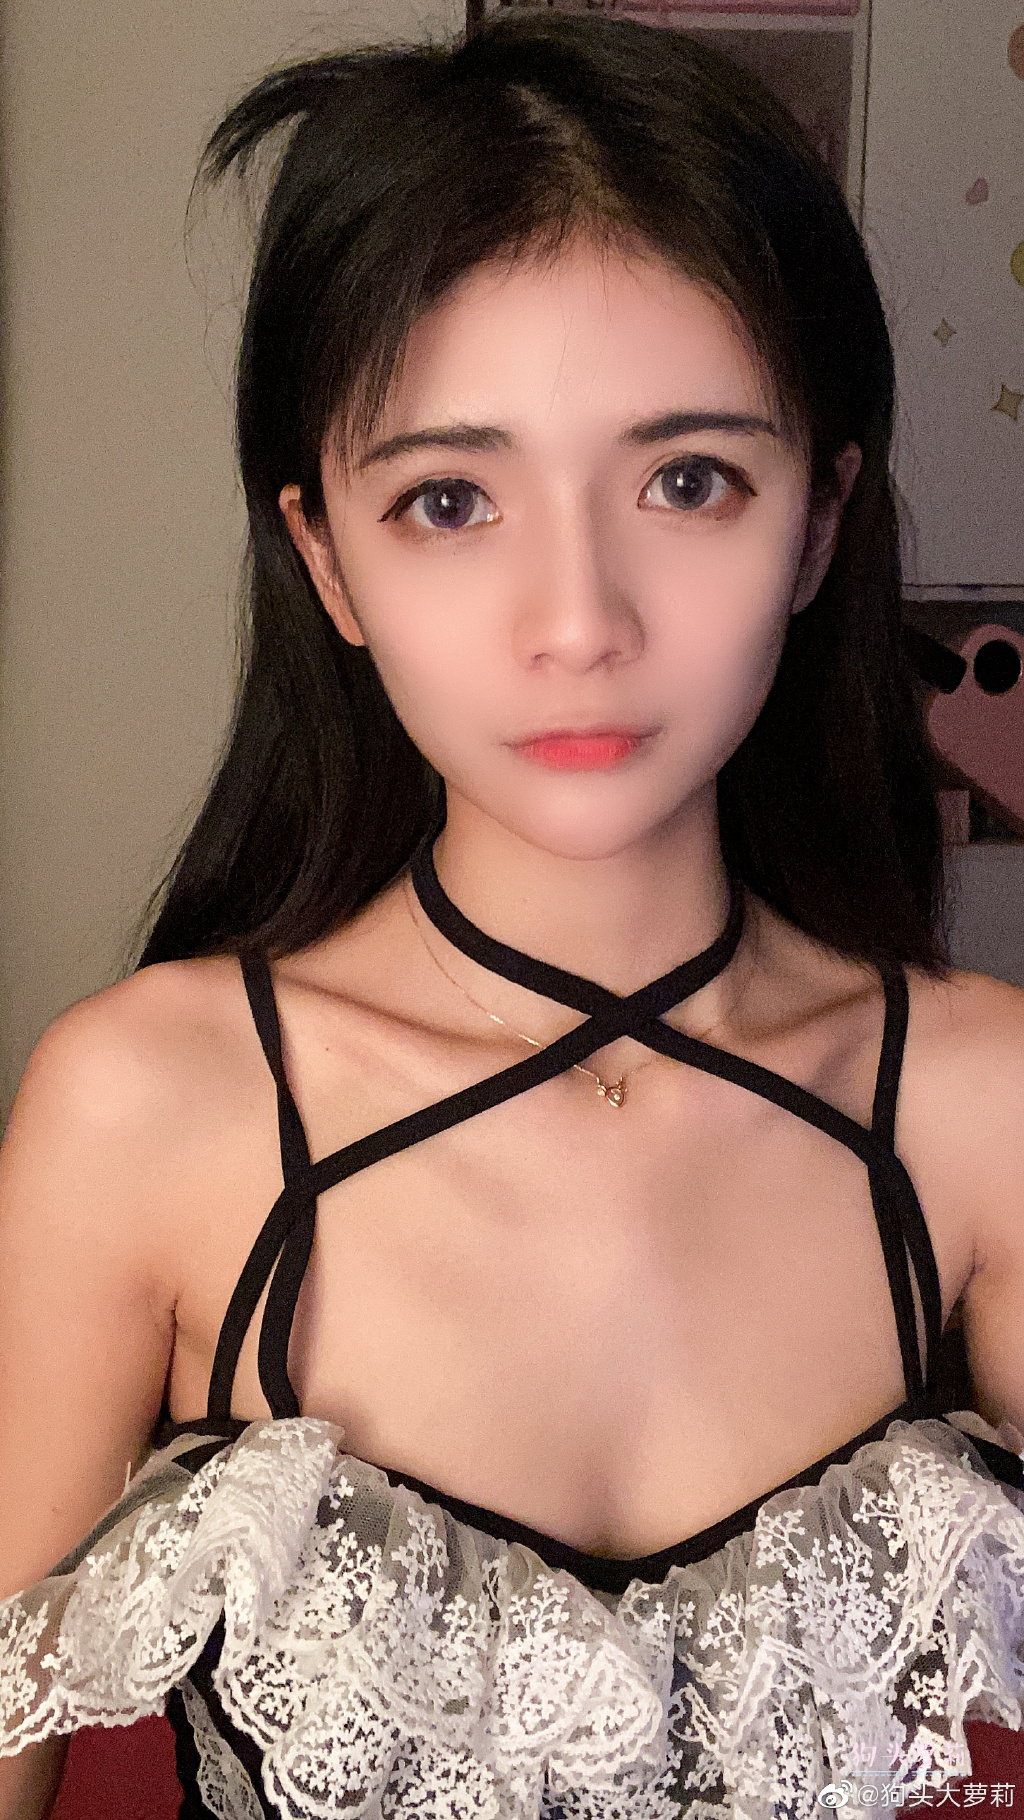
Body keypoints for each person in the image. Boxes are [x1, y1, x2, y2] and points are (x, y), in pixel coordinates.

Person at [2, 12, 1023, 1817]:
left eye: (688, 480)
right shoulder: (147, 1110)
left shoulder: (981, 1106)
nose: (579, 621)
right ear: (326, 558)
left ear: (817, 522)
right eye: (451, 499)